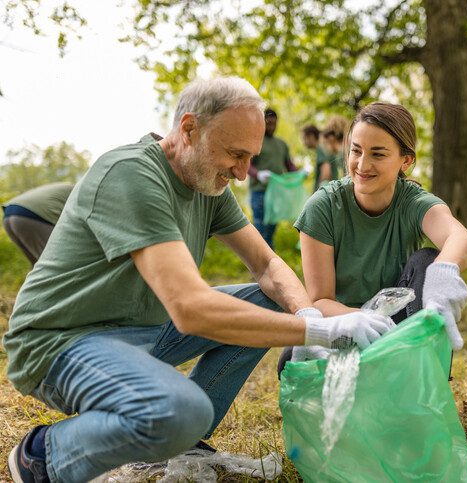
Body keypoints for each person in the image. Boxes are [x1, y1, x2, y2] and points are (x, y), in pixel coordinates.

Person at [4, 77, 392, 483]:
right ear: (189, 130)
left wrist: (307, 311)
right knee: (180, 411)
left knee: (273, 297)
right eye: (236, 154)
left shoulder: (208, 184)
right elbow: (190, 309)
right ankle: (43, 457)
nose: (243, 173)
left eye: (251, 158)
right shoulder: (131, 174)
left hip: (142, 329)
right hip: (59, 342)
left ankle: (183, 442)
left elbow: (267, 265)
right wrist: (319, 330)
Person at [278, 102, 467, 372]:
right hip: (343, 326)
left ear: (405, 160)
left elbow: (461, 239)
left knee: (428, 261)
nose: (362, 165)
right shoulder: (323, 206)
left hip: (398, 327)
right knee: (289, 359)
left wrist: (444, 273)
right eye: (356, 151)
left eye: (378, 154)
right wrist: (364, 318)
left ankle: (421, 375)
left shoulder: (412, 202)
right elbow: (319, 301)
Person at [248, 108, 298, 248]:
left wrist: (300, 173)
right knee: (260, 228)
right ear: (262, 123)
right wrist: (257, 174)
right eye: (268, 123)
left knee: (271, 229)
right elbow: (246, 165)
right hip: (259, 192)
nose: (271, 126)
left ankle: (269, 262)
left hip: (277, 193)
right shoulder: (256, 141)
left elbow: (289, 166)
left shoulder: (281, 144)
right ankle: (258, 262)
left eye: (273, 123)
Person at [2, 182, 74, 265]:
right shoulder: (83, 192)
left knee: (37, 265)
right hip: (31, 214)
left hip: (8, 214)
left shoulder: (69, 187)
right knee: (58, 263)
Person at [301, 124, 336, 191]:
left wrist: (319, 193)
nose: (303, 142)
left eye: (304, 138)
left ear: (311, 136)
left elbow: (326, 171)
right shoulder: (325, 148)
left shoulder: (321, 149)